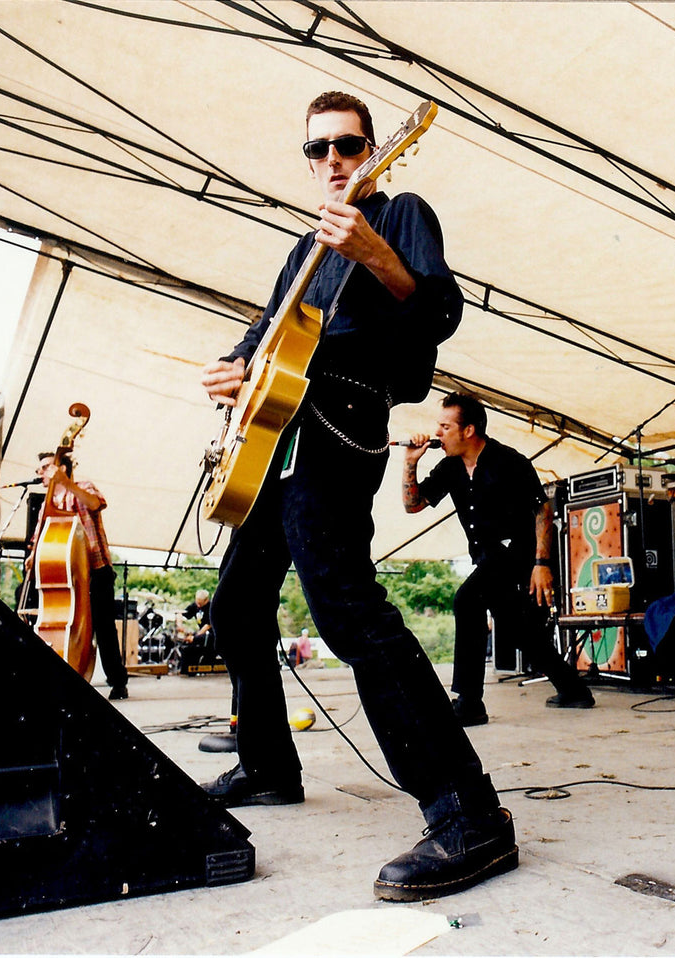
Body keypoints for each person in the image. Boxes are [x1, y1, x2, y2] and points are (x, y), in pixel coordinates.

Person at [197, 91, 516, 901]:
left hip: (339, 420)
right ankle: (268, 763)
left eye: (346, 145)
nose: (332, 159)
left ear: (373, 149)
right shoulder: (302, 248)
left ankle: (468, 811)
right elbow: (269, 330)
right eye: (317, 149)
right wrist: (233, 370)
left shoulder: (400, 211)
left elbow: (438, 311)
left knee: (344, 607)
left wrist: (375, 253)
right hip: (278, 433)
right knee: (235, 605)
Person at [403, 393, 594, 725]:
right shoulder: (450, 467)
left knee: (467, 601)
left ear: (469, 430)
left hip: (518, 552)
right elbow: (413, 504)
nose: (438, 433)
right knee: (519, 629)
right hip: (488, 557)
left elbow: (542, 510)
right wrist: (410, 462)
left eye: (445, 426)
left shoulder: (509, 461)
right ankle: (573, 688)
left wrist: (541, 565)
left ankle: (470, 702)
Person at [28, 450, 129, 700]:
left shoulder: (82, 486)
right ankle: (69, 672)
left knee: (104, 628)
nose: (41, 473)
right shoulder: (46, 503)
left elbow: (95, 504)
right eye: (40, 469)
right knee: (68, 624)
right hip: (67, 575)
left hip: (97, 569)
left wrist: (67, 484)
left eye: (46, 467)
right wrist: (33, 554)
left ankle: (117, 682)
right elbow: (39, 539)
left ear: (61, 467)